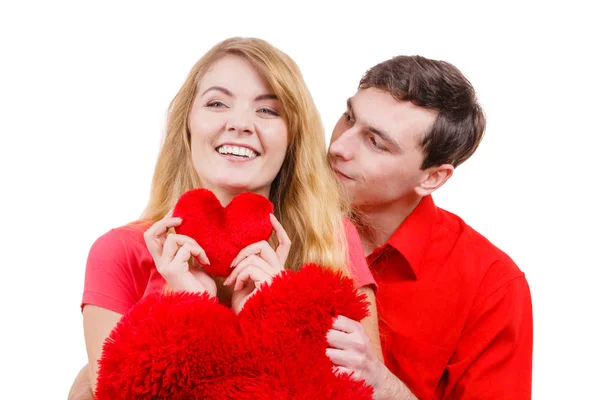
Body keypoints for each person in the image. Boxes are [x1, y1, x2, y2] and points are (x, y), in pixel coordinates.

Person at [68, 37, 381, 399]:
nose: (240, 124)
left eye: (268, 111)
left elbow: (366, 390)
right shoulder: (120, 251)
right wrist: (184, 305)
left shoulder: (332, 239)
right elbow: (114, 391)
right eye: (217, 103)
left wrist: (277, 315)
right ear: (187, 124)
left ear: (292, 136)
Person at [325, 55, 533, 399]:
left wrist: (384, 385)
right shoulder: (276, 214)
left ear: (432, 177)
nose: (337, 147)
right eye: (349, 118)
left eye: (376, 142)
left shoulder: (491, 285)